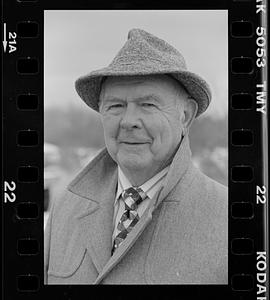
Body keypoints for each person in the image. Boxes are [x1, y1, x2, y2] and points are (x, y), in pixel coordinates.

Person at [44, 28, 228, 284]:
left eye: (148, 105)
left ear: (185, 116)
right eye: (116, 106)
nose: (129, 121)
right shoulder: (66, 208)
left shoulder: (229, 219)